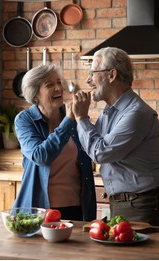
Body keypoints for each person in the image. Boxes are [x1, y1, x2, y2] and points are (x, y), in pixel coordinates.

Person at [72, 47, 159, 226]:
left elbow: (100, 153)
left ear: (111, 75)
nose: (88, 80)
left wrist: (82, 118)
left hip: (141, 204)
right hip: (122, 202)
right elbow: (95, 146)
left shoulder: (137, 113)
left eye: (93, 73)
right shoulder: (109, 111)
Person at [12, 64, 96, 221]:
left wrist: (82, 118)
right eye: (50, 85)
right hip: (40, 210)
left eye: (59, 82)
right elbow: (40, 156)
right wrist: (69, 121)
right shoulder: (25, 120)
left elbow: (93, 149)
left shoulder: (73, 116)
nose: (58, 88)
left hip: (78, 208)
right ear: (35, 94)